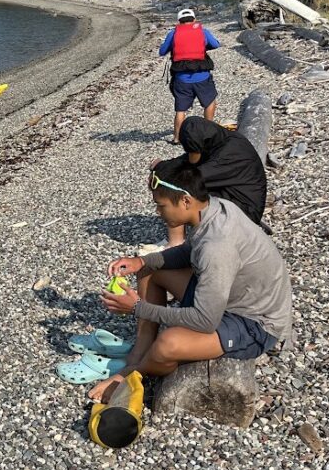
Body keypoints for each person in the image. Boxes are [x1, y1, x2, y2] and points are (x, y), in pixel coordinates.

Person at [90, 163, 293, 404]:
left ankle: (134, 375)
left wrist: (137, 308)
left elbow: (205, 321)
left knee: (167, 344)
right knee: (149, 270)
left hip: (254, 322)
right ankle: (138, 355)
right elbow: (189, 249)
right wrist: (141, 261)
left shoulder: (218, 247)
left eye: (161, 205)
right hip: (230, 296)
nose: (158, 212)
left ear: (185, 201)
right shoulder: (214, 208)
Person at [151, 117, 268, 246]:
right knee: (174, 182)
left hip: (246, 213)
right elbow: (187, 160)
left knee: (179, 188)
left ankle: (176, 243)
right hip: (234, 197)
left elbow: (192, 177)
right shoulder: (220, 140)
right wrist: (162, 165)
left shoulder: (228, 156)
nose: (191, 154)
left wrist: (162, 176)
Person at [160, 8, 221, 145]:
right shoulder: (202, 32)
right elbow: (216, 44)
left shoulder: (173, 33)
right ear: (194, 20)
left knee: (181, 109)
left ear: (179, 21)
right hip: (202, 76)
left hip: (181, 79)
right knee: (210, 102)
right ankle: (208, 131)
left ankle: (177, 138)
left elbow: (162, 51)